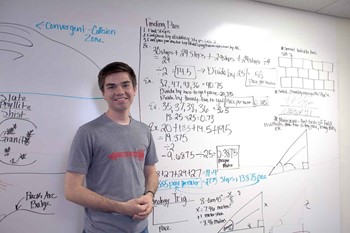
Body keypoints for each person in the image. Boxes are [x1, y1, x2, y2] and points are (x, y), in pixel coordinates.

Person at [64, 61, 159, 233]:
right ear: (104, 93)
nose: (120, 91)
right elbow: (72, 190)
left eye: (125, 85)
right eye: (111, 87)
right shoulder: (88, 132)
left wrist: (150, 195)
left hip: (141, 229)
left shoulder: (144, 130)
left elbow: (151, 171)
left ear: (134, 89)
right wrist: (122, 207)